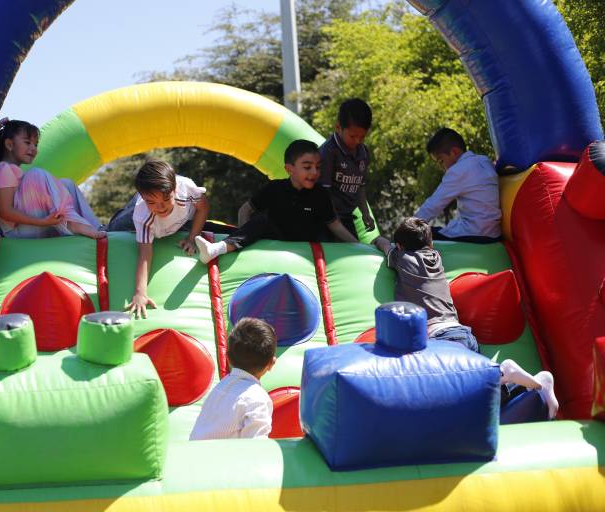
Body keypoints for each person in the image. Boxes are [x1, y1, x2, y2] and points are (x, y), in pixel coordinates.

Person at [374, 217, 558, 419]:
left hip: (440, 337)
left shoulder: (404, 259)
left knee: (446, 388)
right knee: (476, 394)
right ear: (431, 244)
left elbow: (385, 247)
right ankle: (530, 384)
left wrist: (377, 240)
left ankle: (503, 372)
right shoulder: (435, 257)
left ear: (400, 246)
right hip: (461, 334)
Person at [195, 140, 359, 264]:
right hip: (279, 239)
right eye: (307, 167)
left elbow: (335, 225)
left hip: (307, 245)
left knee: (330, 227)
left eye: (318, 167)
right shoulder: (274, 189)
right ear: (289, 169)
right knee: (261, 220)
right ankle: (217, 249)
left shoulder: (320, 194)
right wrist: (243, 239)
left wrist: (359, 247)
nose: (314, 172)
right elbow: (244, 211)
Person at [0, 119, 105, 239]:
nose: (34, 148)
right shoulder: (3, 169)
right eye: (27, 142)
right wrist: (43, 222)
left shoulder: (11, 171)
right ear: (9, 145)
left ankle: (95, 226)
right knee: (35, 174)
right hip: (17, 233)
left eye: (35, 144)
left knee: (67, 183)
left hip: (32, 226)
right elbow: (5, 211)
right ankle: (70, 223)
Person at [123, 160, 211, 318]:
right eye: (152, 202)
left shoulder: (187, 189)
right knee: (117, 225)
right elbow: (145, 254)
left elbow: (203, 207)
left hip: (178, 222)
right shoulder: (142, 215)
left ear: (175, 189)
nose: (160, 207)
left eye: (166, 199)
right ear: (144, 198)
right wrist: (140, 292)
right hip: (136, 218)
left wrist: (192, 237)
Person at [190, 317, 277, 440]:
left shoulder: (220, 387)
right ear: (271, 363)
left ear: (228, 358)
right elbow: (256, 448)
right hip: (220, 458)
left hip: (194, 455)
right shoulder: (258, 399)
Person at [414, 128, 502, 243]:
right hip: (494, 233)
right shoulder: (485, 161)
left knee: (418, 235)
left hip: (475, 234)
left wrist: (409, 226)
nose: (442, 167)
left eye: (441, 161)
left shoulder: (458, 171)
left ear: (454, 152)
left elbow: (433, 205)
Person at [318, 98, 375, 239]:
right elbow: (323, 193)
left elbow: (360, 186)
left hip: (347, 217)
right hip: (324, 219)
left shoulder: (363, 153)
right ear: (338, 127)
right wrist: (335, 224)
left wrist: (365, 213)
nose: (357, 141)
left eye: (362, 137)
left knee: (354, 254)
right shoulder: (328, 152)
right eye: (352, 136)